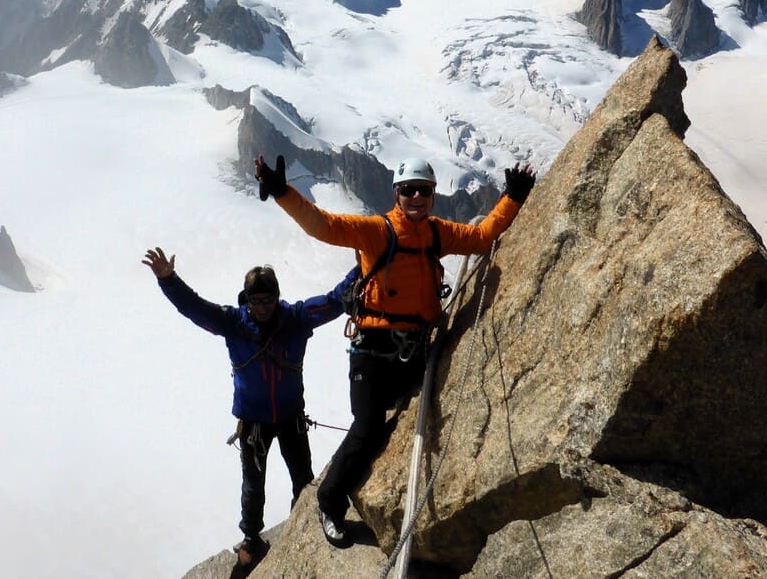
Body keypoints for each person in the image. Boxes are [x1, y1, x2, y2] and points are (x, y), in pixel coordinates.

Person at [253, 153, 536, 547]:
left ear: (433, 194)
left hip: (414, 353)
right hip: (372, 354)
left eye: (424, 190)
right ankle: (328, 501)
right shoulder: (377, 231)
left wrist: (513, 198)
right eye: (409, 190)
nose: (417, 197)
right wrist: (282, 190)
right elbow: (323, 225)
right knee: (368, 429)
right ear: (397, 194)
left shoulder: (437, 233)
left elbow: (483, 237)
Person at [141, 247, 354, 569]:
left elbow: (335, 300)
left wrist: (362, 267)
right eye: (256, 301)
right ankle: (252, 537)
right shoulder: (234, 322)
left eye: (267, 300)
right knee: (254, 487)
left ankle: (297, 527)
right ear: (247, 300)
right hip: (257, 420)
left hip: (286, 416)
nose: (262, 307)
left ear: (276, 297)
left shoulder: (293, 318)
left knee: (301, 478)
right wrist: (168, 280)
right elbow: (194, 308)